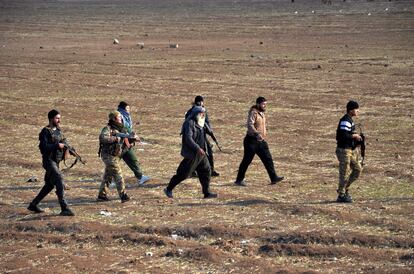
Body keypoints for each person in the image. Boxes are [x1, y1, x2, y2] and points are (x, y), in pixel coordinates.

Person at [27, 109, 75, 216]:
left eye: (59, 118)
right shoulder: (45, 131)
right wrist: (57, 146)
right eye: (57, 118)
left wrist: (71, 150)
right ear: (51, 119)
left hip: (56, 161)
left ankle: (33, 204)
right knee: (59, 179)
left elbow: (65, 142)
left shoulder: (59, 131)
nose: (59, 120)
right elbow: (43, 147)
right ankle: (64, 207)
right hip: (48, 161)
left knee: (49, 185)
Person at [164, 106, 218, 199]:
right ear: (196, 114)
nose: (203, 115)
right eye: (201, 113)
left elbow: (207, 131)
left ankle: (207, 192)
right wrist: (197, 148)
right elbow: (189, 139)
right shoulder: (189, 123)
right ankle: (169, 189)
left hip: (201, 153)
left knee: (206, 170)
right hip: (193, 154)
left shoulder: (201, 123)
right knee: (184, 174)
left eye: (204, 114)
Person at [234, 97, 284, 186]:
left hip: (261, 141)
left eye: (265, 104)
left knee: (268, 159)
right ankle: (239, 180)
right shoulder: (253, 112)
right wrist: (257, 133)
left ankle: (273, 177)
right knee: (247, 160)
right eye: (263, 104)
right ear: (258, 104)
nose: (265, 106)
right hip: (251, 141)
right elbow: (250, 124)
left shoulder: (262, 113)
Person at [97, 111, 132, 202]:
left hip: (115, 155)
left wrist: (132, 140)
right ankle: (123, 195)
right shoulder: (108, 129)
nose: (121, 119)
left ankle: (102, 195)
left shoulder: (122, 129)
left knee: (108, 176)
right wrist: (115, 138)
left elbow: (125, 144)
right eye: (119, 117)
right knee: (118, 174)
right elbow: (103, 138)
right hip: (108, 155)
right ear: (113, 119)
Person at [335, 100, 363, 203]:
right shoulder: (345, 120)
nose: (358, 111)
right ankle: (341, 195)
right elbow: (342, 136)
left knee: (357, 169)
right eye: (356, 109)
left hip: (350, 150)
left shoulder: (350, 120)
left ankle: (344, 189)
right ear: (351, 110)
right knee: (344, 173)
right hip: (344, 151)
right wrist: (354, 136)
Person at [185, 96, 220, 177]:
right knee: (195, 155)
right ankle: (192, 171)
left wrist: (210, 132)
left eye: (201, 102)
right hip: (195, 136)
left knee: (208, 153)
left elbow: (206, 123)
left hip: (202, 134)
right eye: (199, 102)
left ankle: (211, 170)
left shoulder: (203, 111)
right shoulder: (192, 112)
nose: (201, 104)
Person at [117, 101, 150, 185]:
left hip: (127, 143)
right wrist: (133, 136)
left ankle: (140, 177)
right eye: (127, 108)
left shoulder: (126, 116)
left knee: (132, 160)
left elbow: (129, 128)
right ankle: (109, 180)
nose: (129, 110)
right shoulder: (119, 116)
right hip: (119, 143)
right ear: (123, 109)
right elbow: (124, 128)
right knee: (114, 163)